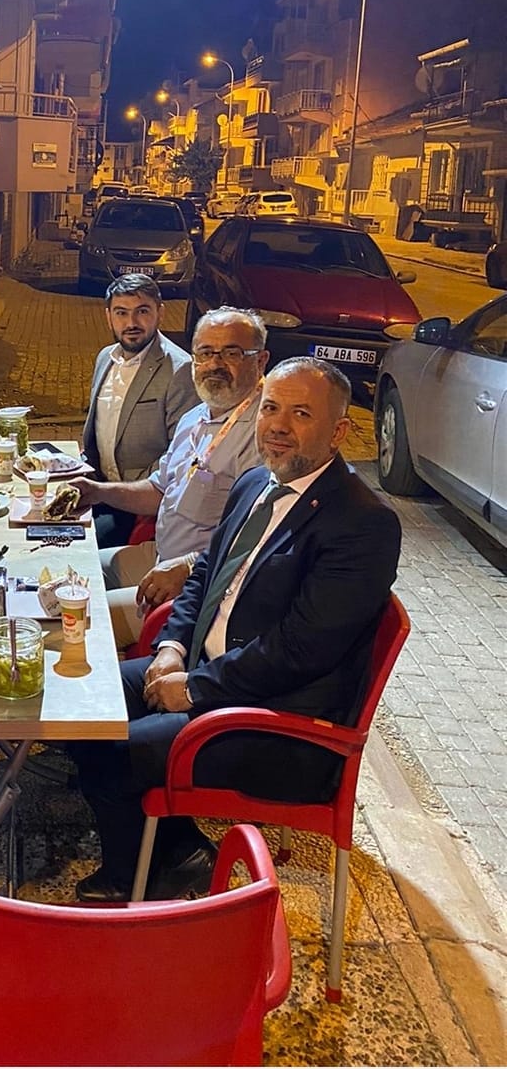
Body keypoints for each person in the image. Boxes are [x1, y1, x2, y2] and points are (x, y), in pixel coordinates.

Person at [70, 358, 402, 903]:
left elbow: (301, 650)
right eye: (271, 408)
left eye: (301, 414)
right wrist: (172, 648)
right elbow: (204, 574)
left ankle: (137, 877)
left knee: (112, 751)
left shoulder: (362, 523)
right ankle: (182, 849)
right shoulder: (255, 483)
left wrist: (195, 688)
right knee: (80, 705)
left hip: (280, 721)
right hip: (214, 672)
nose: (278, 426)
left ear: (339, 431)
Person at [71, 308, 268, 649]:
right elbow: (158, 490)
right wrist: (97, 491)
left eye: (231, 353)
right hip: (159, 555)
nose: (215, 364)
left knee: (75, 620)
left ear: (261, 360)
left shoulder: (263, 436)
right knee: (70, 571)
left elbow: (258, 538)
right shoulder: (195, 417)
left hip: (199, 583)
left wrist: (189, 567)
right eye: (205, 353)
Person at [81, 273, 197, 548]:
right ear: (108, 316)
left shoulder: (180, 370)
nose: (131, 323)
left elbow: (181, 455)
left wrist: (113, 492)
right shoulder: (105, 358)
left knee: (80, 548)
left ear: (160, 312)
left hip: (140, 508)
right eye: (121, 313)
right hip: (99, 489)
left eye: (142, 311)